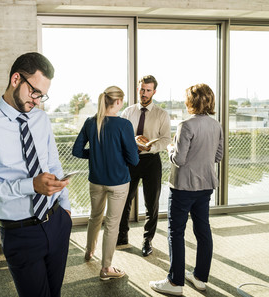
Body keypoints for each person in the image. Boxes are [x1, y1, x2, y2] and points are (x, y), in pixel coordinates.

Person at [0, 52, 72, 297]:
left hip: (57, 222)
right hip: (20, 233)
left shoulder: (41, 119)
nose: (38, 101)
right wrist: (31, 185)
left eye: (42, 95)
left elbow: (53, 163)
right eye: (34, 92)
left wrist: (66, 208)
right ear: (16, 79)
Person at [149, 83, 223, 296]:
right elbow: (218, 157)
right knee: (203, 230)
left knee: (176, 232)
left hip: (183, 187)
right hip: (206, 186)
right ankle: (200, 277)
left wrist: (171, 149)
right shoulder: (216, 125)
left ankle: (175, 282)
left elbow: (179, 159)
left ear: (191, 101)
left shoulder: (186, 125)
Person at [72, 86, 139, 281]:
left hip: (96, 181)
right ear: (118, 102)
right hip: (118, 183)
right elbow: (134, 160)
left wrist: (94, 155)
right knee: (112, 224)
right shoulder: (124, 125)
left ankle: (88, 251)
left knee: (95, 217)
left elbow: (77, 151)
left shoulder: (90, 122)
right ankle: (106, 268)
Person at [116, 75, 171, 257]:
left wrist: (150, 146)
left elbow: (166, 140)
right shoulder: (128, 112)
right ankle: (122, 235)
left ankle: (148, 240)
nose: (144, 93)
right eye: (142, 89)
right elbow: (121, 137)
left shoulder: (162, 114)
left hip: (151, 161)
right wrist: (133, 142)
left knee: (151, 203)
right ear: (138, 89)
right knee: (125, 200)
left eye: (148, 90)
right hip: (130, 161)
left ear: (154, 92)